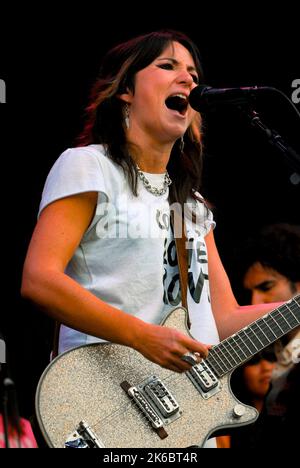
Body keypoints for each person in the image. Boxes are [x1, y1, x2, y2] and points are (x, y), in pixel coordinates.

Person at [20, 29, 284, 448]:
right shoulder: (89, 166)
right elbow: (39, 278)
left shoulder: (193, 206)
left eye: (193, 74)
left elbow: (223, 319)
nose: (188, 81)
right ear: (125, 90)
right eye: (168, 66)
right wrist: (143, 336)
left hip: (184, 421)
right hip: (104, 402)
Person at [217, 347, 277, 448]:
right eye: (254, 362)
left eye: (270, 358)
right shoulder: (224, 421)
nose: (266, 367)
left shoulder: (278, 417)